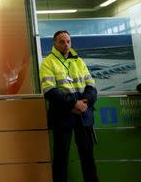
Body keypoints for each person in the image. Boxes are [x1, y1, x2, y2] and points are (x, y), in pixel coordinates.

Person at [40, 30, 99, 182]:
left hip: (83, 115)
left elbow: (91, 85)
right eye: (61, 41)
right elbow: (49, 91)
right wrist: (73, 104)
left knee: (88, 157)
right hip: (63, 115)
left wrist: (84, 104)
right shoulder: (48, 62)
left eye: (68, 41)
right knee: (61, 158)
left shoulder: (79, 61)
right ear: (54, 43)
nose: (66, 44)